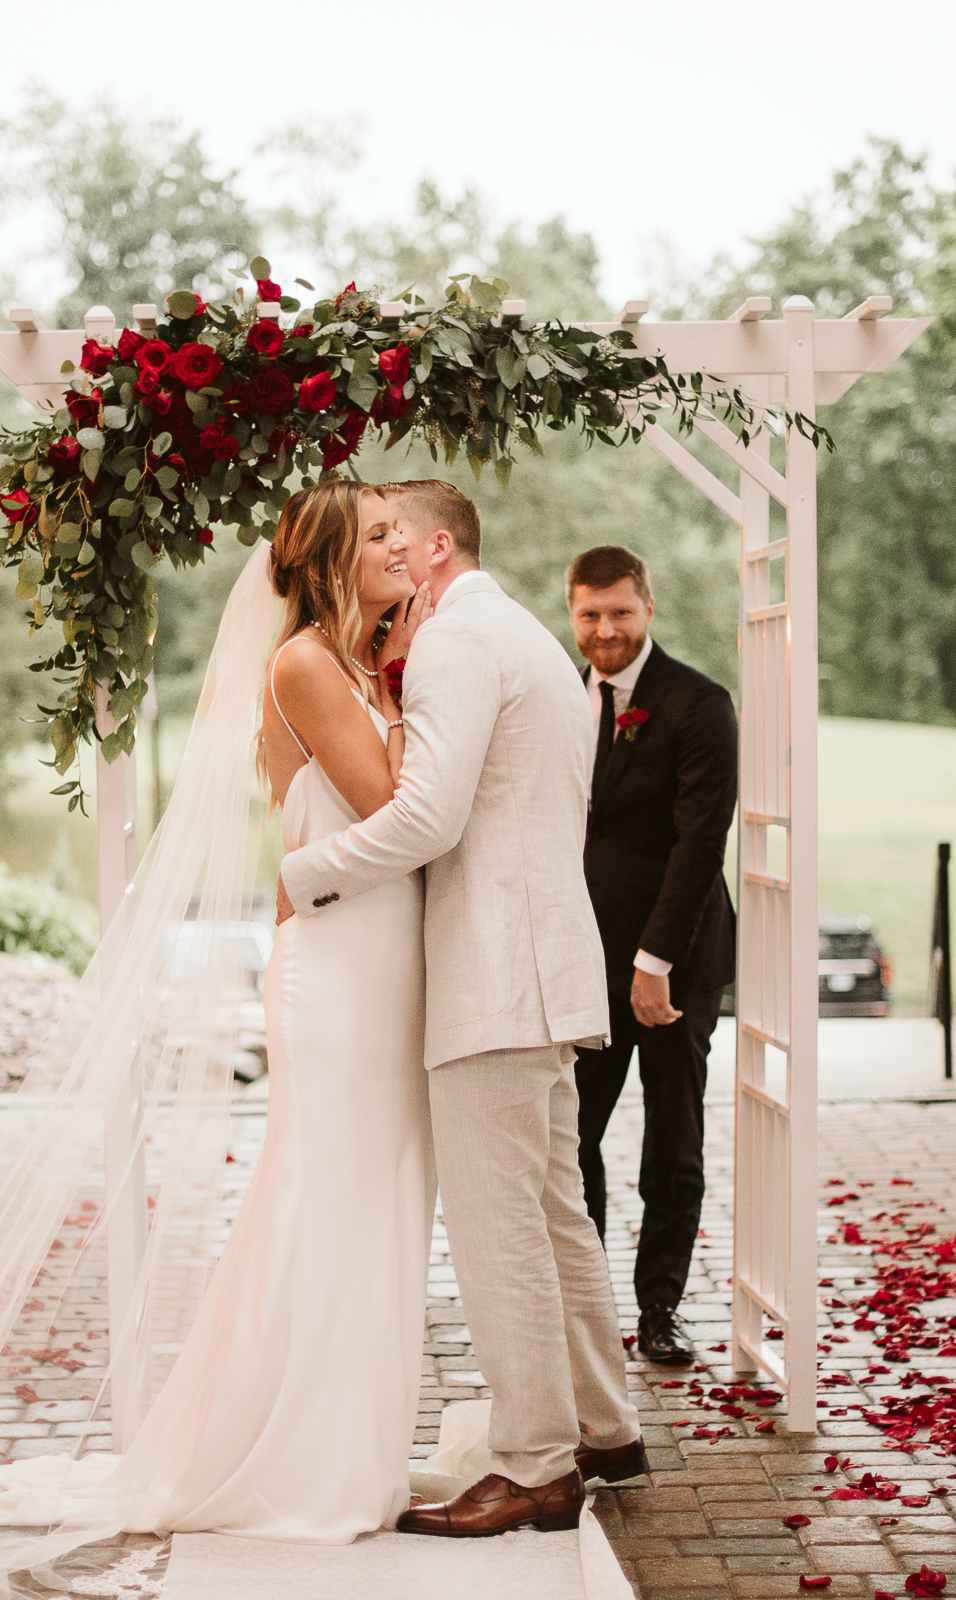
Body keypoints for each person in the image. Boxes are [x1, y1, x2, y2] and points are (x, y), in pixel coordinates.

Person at [0, 483, 439, 1570]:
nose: (404, 546)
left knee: (371, 1205)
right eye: (380, 534)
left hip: (374, 962)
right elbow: (394, 800)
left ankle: (352, 1444)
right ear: (334, 561)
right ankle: (302, 1460)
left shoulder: (354, 661)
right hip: (336, 973)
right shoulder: (303, 664)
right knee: (322, 1207)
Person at [278, 480, 646, 1535]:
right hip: (542, 966)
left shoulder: (449, 643)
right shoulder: (521, 632)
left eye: (400, 535)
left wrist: (307, 875)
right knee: (553, 1215)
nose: (393, 555)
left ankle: (536, 1465)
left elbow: (429, 817)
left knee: (502, 1235)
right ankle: (604, 1424)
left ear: (434, 550)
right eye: (373, 536)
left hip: (494, 975)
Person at [567, 545, 738, 1367]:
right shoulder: (563, 698)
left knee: (672, 1139)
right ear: (574, 613)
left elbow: (700, 841)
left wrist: (654, 961)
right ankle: (588, 1303)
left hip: (677, 954)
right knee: (570, 1133)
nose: (605, 630)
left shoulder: (699, 704)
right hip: (583, 956)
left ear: (648, 607)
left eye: (620, 613)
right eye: (590, 614)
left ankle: (661, 1309)